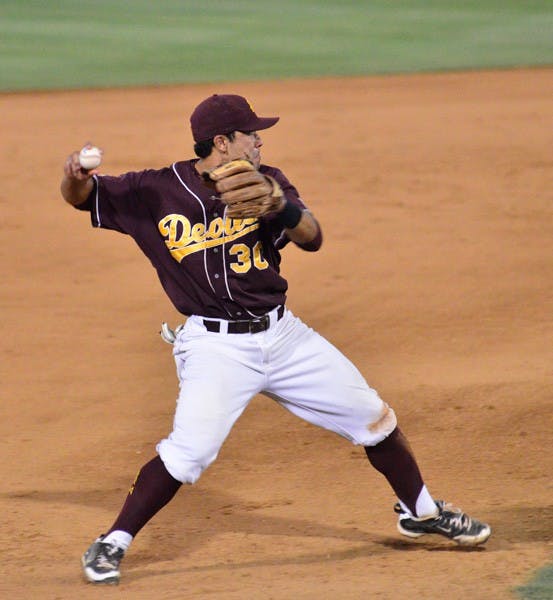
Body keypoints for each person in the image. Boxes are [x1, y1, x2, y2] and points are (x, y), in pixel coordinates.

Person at [61, 94, 491, 585]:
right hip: (216, 348)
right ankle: (112, 541)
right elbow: (82, 197)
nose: (261, 139)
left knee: (374, 419)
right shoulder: (153, 191)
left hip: (285, 337)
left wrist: (281, 205)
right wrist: (74, 176)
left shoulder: (269, 183)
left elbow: (312, 237)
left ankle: (421, 510)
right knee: (188, 454)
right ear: (222, 143)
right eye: (251, 133)